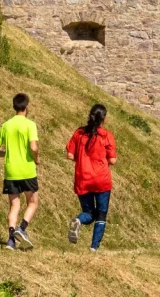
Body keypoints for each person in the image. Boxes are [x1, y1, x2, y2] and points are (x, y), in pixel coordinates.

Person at [65, 104, 118, 252]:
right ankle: (94, 247)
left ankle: (79, 220)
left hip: (83, 177)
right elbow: (113, 160)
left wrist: (82, 161)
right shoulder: (106, 135)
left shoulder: (79, 133)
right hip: (101, 179)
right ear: (104, 119)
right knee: (101, 214)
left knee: (88, 213)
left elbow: (70, 154)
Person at [0, 93, 40, 250]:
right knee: (33, 202)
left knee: (14, 206)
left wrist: (8, 153)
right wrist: (37, 158)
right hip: (27, 170)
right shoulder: (30, 125)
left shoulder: (6, 125)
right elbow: (33, 147)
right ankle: (22, 229)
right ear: (27, 107)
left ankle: (11, 241)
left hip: (10, 171)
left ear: (14, 107)